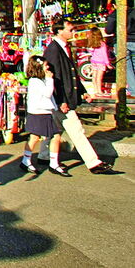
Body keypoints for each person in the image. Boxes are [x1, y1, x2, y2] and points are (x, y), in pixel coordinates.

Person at [42, 19, 116, 174]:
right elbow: (53, 78)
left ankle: (43, 155)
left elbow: (72, 74)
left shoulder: (64, 48)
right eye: (70, 29)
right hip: (61, 99)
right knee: (77, 130)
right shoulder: (53, 50)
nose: (73, 32)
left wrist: (82, 91)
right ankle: (93, 163)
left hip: (61, 99)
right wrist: (61, 100)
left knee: (55, 129)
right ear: (59, 31)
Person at [20, 56, 67, 176]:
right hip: (39, 112)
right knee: (38, 137)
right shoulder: (35, 81)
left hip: (44, 111)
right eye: (45, 65)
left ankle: (51, 162)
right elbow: (47, 93)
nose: (48, 67)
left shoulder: (40, 80)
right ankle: (29, 160)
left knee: (51, 136)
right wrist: (50, 79)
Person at [105, 4, 135, 98]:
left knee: (127, 68)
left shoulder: (115, 14)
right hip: (134, 41)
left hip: (122, 42)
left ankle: (133, 91)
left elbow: (108, 30)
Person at [86, 27, 111, 96]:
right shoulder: (102, 44)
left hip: (94, 61)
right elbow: (104, 55)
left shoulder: (92, 44)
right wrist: (108, 64)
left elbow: (91, 52)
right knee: (99, 77)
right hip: (101, 62)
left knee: (94, 76)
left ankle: (96, 90)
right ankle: (100, 91)